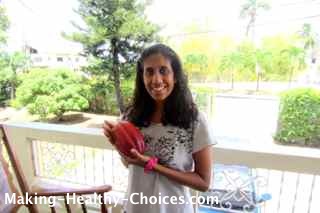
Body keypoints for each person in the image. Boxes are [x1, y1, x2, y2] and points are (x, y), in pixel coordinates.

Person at [103, 44, 216, 213]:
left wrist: (152, 165)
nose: (156, 80)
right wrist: (117, 145)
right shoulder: (130, 116)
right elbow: (130, 164)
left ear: (175, 76)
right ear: (142, 77)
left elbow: (203, 182)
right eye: (149, 72)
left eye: (163, 71)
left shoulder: (195, 120)